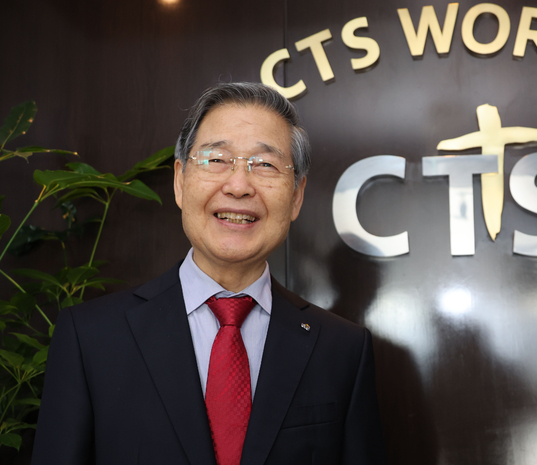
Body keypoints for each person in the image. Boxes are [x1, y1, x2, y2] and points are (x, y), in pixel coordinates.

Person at [32, 83, 386, 465]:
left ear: (296, 195)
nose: (239, 186)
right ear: (180, 181)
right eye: (217, 159)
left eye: (265, 164)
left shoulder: (342, 350)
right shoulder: (90, 338)